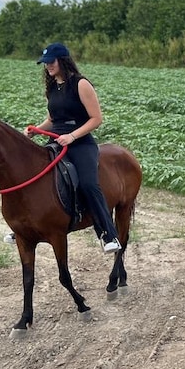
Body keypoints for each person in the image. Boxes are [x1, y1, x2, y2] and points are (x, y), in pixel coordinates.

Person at [28, 42, 121, 253]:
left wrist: (72, 136)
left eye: (51, 62)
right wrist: (37, 129)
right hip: (56, 139)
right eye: (45, 63)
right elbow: (53, 118)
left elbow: (96, 119)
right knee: (36, 177)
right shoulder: (52, 86)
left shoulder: (81, 84)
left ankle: (108, 234)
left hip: (80, 143)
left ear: (62, 60)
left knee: (88, 184)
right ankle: (27, 226)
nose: (48, 67)